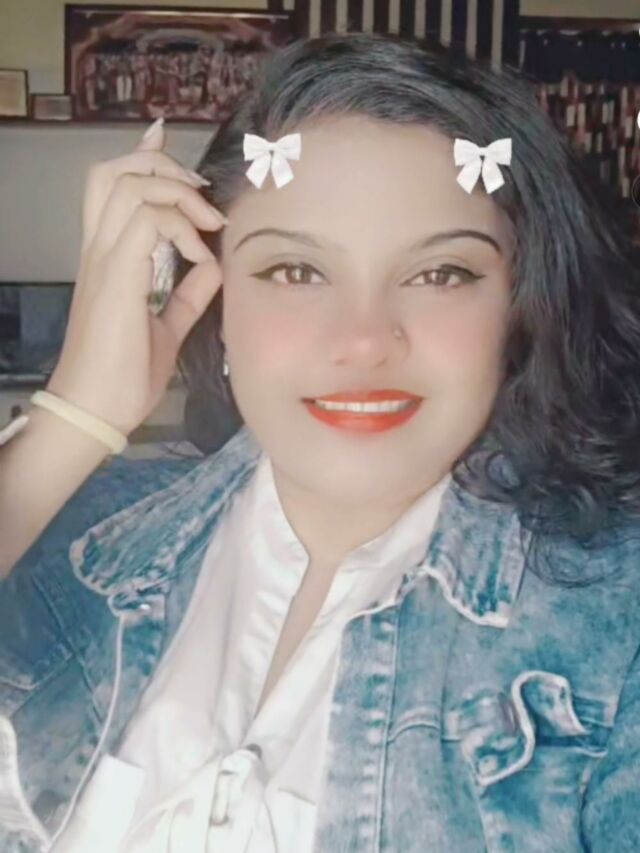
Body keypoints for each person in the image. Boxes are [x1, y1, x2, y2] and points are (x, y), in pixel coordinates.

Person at [1, 30, 640, 853]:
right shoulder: (70, 528)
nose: (364, 340)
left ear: (518, 309)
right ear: (216, 296)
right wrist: (76, 412)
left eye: (440, 273)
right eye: (296, 272)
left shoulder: (617, 619)